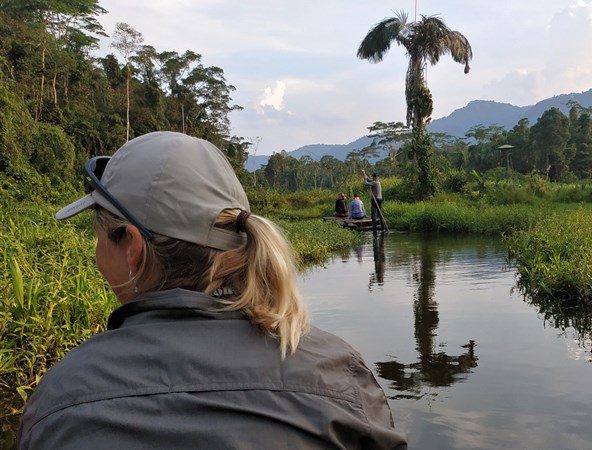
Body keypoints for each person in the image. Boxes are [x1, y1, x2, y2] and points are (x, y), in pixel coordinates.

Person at [16, 132, 407, 449]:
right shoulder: (341, 375)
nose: (97, 250)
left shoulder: (61, 396)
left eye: (98, 234)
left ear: (132, 246)